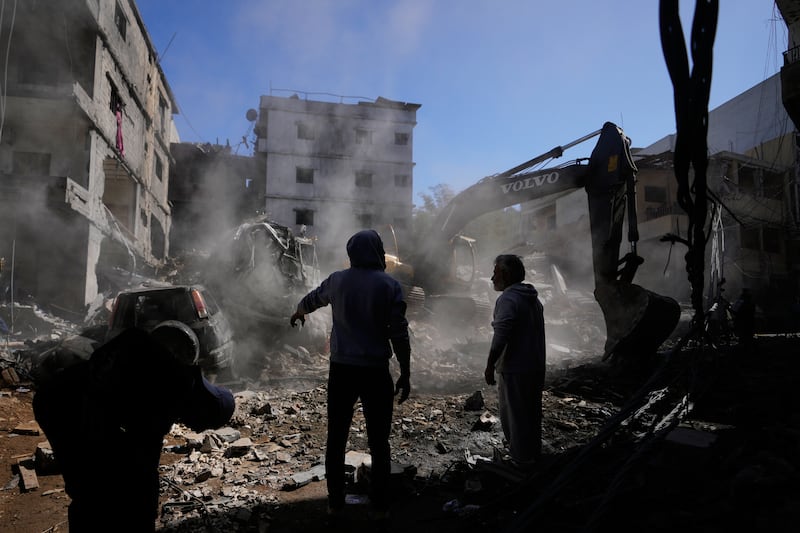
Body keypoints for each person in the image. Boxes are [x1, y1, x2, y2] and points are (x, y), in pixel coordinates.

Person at [33, 321, 235, 533]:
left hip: (61, 398)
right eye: (202, 424)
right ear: (204, 409)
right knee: (92, 491)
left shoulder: (156, 362)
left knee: (96, 487)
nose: (195, 429)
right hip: (63, 407)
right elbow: (144, 458)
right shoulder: (169, 390)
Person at [290, 229, 411, 523]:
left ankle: (335, 502)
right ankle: (379, 506)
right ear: (379, 252)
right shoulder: (390, 285)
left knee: (337, 437)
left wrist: (298, 311)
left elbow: (312, 299)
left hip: (342, 370)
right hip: (375, 372)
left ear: (352, 253)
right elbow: (399, 333)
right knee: (379, 441)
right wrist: (406, 372)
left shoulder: (338, 280)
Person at [484, 254, 546, 467]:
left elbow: (501, 335)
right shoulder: (533, 298)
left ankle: (521, 462)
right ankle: (532, 456)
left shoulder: (509, 298)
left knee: (515, 417)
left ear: (506, 274)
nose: (492, 278)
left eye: (495, 273)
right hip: (534, 367)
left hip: (515, 368)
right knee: (531, 414)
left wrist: (490, 365)